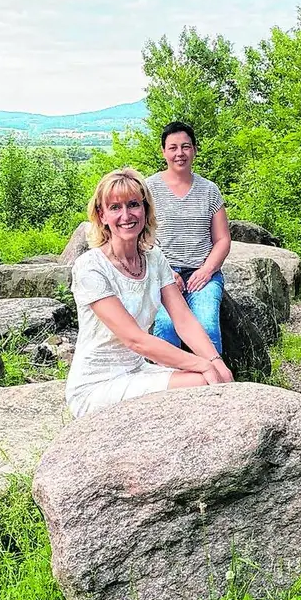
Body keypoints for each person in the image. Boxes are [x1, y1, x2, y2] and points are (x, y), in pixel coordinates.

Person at [67, 167, 234, 418]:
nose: (126, 215)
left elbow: (184, 319)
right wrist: (202, 365)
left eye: (133, 204)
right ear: (101, 215)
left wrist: (215, 360)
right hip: (97, 384)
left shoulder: (154, 258)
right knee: (201, 381)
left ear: (145, 209)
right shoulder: (91, 267)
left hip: (138, 370)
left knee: (210, 376)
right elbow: (135, 339)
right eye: (115, 207)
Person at [145, 121, 231, 354]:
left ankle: (212, 383)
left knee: (207, 326)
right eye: (172, 148)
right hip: (163, 274)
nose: (179, 153)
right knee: (166, 325)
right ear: (163, 151)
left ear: (194, 149)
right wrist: (166, 271)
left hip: (202, 273)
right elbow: (141, 237)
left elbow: (222, 239)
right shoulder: (148, 189)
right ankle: (170, 385)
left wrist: (206, 271)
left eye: (185, 147)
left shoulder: (209, 190)